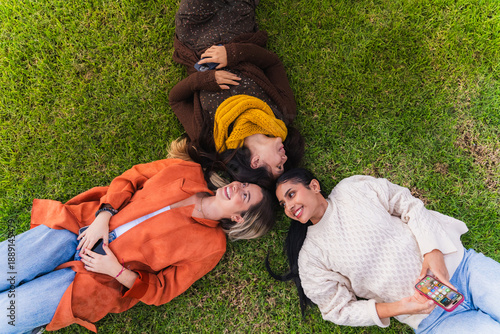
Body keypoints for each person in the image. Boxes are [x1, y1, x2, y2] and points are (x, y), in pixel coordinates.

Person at [0, 154, 275, 333]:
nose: (238, 187)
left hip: (96, 279)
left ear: (239, 218)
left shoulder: (212, 247)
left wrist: (115, 271)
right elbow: (132, 177)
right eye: (243, 184)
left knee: (7, 315)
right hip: (80, 227)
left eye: (246, 195)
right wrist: (103, 215)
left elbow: (162, 291)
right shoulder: (188, 171)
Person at [267, 168, 500, 333]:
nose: (289, 206)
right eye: (283, 205)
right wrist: (402, 307)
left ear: (314, 186)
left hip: (464, 268)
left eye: (291, 194)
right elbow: (337, 310)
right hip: (431, 320)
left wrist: (433, 253)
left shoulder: (350, 190)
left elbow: (406, 202)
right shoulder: (311, 257)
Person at [169, 0, 304, 180]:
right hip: (237, 27)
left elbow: (175, 99)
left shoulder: (211, 139)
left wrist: (205, 80)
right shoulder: (282, 114)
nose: (285, 157)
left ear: (255, 162)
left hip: (195, 35)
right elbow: (272, 63)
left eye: (279, 165)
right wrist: (233, 53)